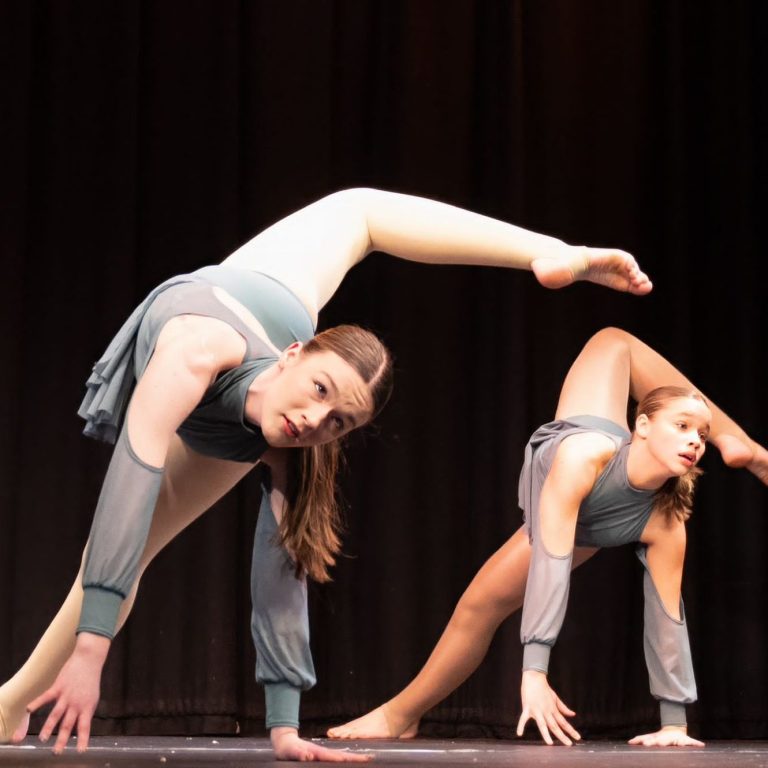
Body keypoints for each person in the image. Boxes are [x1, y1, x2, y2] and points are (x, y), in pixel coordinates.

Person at [0, 189, 652, 762]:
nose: (313, 420)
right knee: (358, 211)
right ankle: (550, 252)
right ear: (294, 356)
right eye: (318, 392)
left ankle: (8, 704)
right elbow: (132, 478)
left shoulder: (293, 442)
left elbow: (279, 580)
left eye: (339, 421)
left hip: (252, 396)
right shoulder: (193, 352)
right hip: (252, 293)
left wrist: (284, 727)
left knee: (131, 555)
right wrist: (90, 652)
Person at [329, 326, 768, 748]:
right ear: (643, 425)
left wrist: (674, 723)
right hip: (577, 466)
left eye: (703, 436)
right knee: (612, 342)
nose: (695, 442)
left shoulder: (665, 521)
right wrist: (534, 672)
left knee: (480, 606)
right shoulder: (583, 455)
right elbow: (551, 562)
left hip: (586, 519)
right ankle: (741, 444)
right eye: (683, 427)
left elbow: (667, 619)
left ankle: (398, 715)